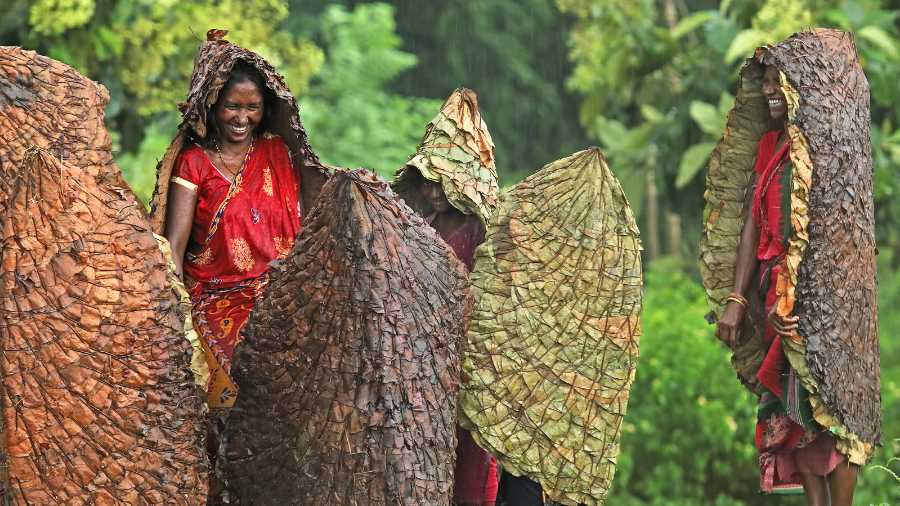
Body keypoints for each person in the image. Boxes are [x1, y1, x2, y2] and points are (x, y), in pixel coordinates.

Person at [151, 30, 326, 504]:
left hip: (277, 297)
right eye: (232, 106)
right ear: (212, 107)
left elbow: (302, 227)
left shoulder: (275, 154)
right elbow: (176, 241)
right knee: (224, 408)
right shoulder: (194, 164)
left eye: (252, 108)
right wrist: (168, 301)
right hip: (213, 300)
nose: (241, 119)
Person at [715, 63, 857, 505]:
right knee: (796, 414)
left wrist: (804, 293)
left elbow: (839, 233)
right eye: (768, 82)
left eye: (780, 80)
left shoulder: (828, 153)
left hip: (823, 302)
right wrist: (738, 297)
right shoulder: (769, 146)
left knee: (837, 413)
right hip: (774, 297)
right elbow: (752, 228)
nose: (771, 90)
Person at [392, 88, 501, 506]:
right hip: (419, 362)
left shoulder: (482, 234)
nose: (435, 192)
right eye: (429, 181)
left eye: (445, 182)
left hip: (467, 364)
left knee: (472, 462)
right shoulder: (422, 222)